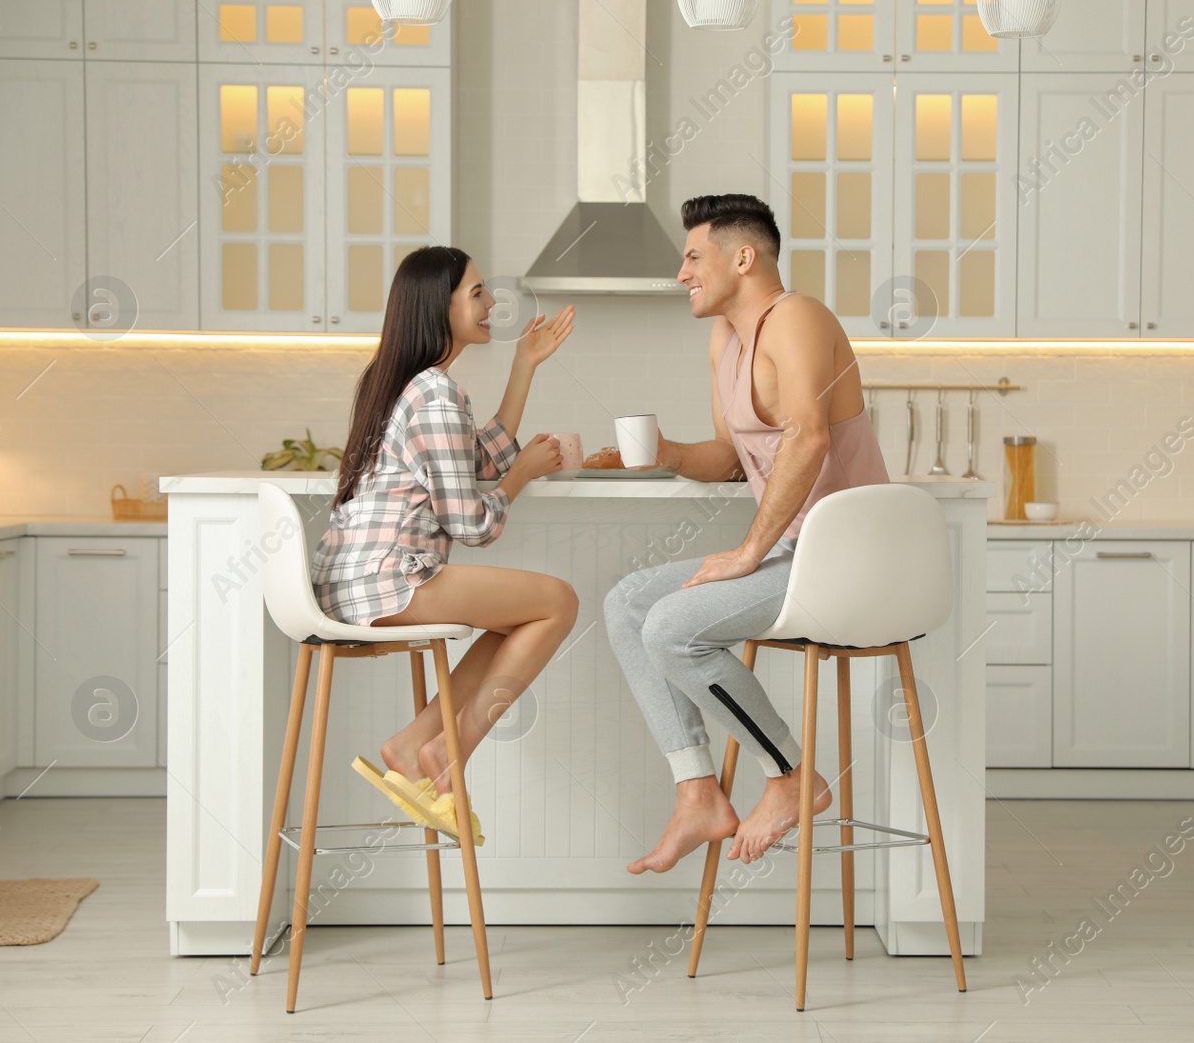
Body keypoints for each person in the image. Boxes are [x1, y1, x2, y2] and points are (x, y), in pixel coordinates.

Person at [604, 194, 890, 874]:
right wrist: (663, 452)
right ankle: (698, 790)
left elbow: (810, 435)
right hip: (796, 556)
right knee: (627, 604)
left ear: (742, 257)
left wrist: (747, 552)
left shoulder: (798, 318)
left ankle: (791, 775)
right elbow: (734, 459)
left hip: (849, 559)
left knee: (671, 627)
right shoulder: (725, 341)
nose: (682, 274)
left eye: (693, 256)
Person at [313, 245, 579, 844]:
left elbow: (474, 458)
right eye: (478, 294)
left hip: (353, 581)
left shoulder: (414, 385)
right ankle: (444, 758)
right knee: (558, 602)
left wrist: (524, 367)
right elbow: (472, 524)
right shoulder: (434, 394)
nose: (490, 305)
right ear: (443, 305)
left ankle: (413, 745)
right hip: (388, 578)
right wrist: (523, 476)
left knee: (517, 620)